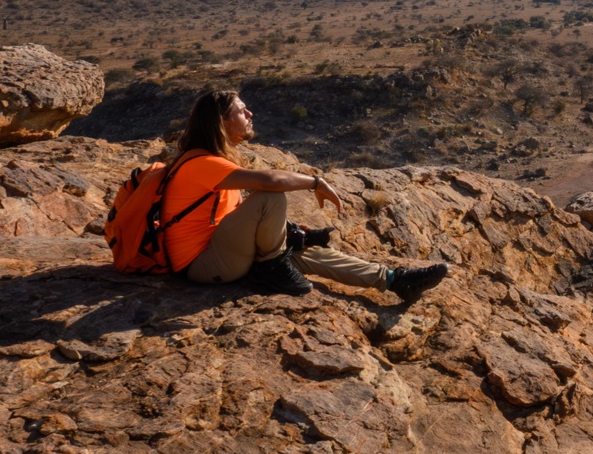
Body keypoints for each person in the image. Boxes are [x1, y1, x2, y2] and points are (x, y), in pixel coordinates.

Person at [151, 87, 448, 301]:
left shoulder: (212, 160)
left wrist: (286, 231)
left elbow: (231, 215)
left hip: (220, 253)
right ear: (222, 122)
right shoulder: (203, 163)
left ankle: (394, 280)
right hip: (204, 264)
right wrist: (316, 182)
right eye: (241, 111)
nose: (250, 114)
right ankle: (271, 266)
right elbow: (272, 181)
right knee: (270, 197)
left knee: (304, 252)